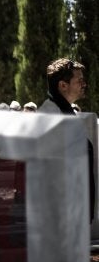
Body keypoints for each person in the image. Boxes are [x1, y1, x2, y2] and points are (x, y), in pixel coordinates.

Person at [39, 58, 95, 222]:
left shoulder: (63, 112)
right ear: (63, 85)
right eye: (80, 81)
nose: (84, 84)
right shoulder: (53, 117)